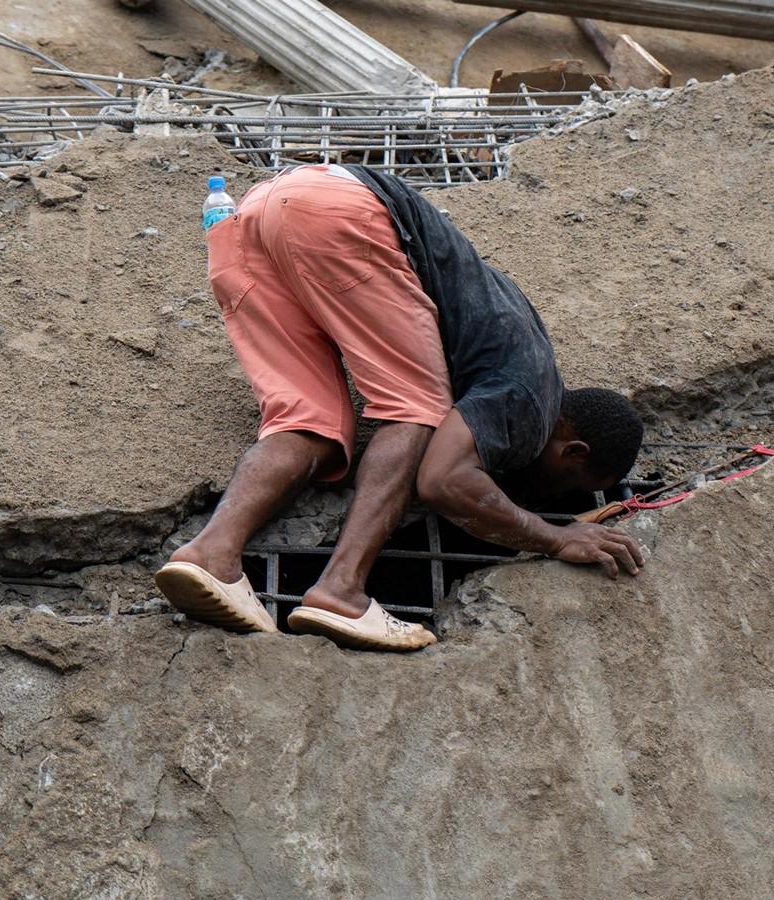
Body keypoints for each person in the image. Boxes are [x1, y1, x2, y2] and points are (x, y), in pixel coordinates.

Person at [154, 164, 645, 652]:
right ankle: (341, 589)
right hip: (338, 214)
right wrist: (557, 538)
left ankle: (212, 554)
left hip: (250, 216)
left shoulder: (504, 343)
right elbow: (443, 481)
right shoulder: (531, 399)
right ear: (573, 452)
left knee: (307, 422)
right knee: (415, 408)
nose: (553, 497)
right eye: (570, 489)